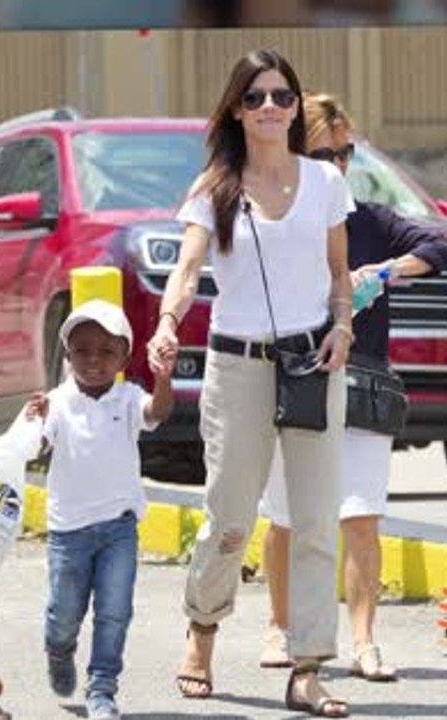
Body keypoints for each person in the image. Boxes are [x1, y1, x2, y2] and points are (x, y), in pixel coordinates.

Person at [145, 48, 355, 717]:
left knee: (319, 519)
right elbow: (187, 267)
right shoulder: (216, 188)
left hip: (312, 366)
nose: (271, 108)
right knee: (231, 518)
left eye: (283, 97)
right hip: (237, 367)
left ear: (297, 107)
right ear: (236, 108)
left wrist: (343, 326)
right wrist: (168, 321)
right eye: (257, 97)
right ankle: (202, 630)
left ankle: (308, 666)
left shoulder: (325, 183)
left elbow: (339, 272)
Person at [256, 92, 447, 682]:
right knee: (287, 515)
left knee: (362, 515)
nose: (339, 165)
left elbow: (439, 248)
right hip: (295, 377)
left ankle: (364, 640)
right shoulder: (276, 218)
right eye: (325, 153)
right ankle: (280, 625)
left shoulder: (370, 221)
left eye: (347, 153)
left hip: (363, 380)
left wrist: (384, 271)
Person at [23, 299, 174, 720]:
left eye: (107, 352)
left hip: (119, 528)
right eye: (83, 350)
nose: (94, 360)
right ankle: (59, 648)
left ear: (125, 356)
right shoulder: (58, 401)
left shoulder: (128, 398)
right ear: (67, 354)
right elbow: (36, 448)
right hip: (68, 531)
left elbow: (157, 413)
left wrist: (163, 379)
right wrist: (33, 421)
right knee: (65, 612)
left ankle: (102, 688)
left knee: (115, 611)